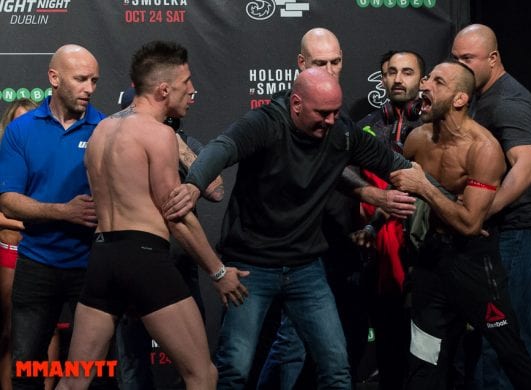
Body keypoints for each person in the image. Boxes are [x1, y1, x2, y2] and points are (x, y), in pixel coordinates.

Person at [163, 67, 416, 389]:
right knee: (235, 370)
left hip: (305, 268)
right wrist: (194, 185)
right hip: (250, 268)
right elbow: (223, 147)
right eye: (322, 113)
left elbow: (397, 165)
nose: (330, 121)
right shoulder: (265, 123)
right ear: (296, 104)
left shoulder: (341, 131)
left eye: (336, 113)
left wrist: (436, 192)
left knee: (337, 370)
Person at [54, 41, 248, 390]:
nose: (192, 90)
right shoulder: (160, 135)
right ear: (163, 90)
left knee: (73, 381)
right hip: (143, 258)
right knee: (203, 375)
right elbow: (175, 214)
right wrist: (218, 271)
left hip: (102, 257)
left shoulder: (101, 131)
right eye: (186, 82)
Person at [389, 60, 531, 390]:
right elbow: (398, 189)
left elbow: (471, 224)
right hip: (431, 263)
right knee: (424, 359)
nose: (426, 85)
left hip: (474, 264)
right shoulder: (417, 138)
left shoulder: (484, 149)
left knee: (509, 351)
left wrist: (425, 188)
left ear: (460, 98)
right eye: (428, 77)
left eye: (438, 81)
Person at [451, 24, 531, 390]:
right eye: (456, 59)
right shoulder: (482, 95)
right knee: (499, 331)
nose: (461, 66)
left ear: (493, 59)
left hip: (525, 229)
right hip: (509, 229)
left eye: (468, 59)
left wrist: (480, 213)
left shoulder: (508, 102)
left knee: (502, 333)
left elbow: (526, 169)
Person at [0, 45, 109, 390]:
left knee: (96, 370)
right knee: (27, 369)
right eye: (80, 79)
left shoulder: (105, 128)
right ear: (54, 78)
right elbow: (9, 200)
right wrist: (64, 212)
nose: (89, 88)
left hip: (91, 264)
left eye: (94, 80)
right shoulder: (22, 130)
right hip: (37, 264)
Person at [114, 86, 226, 390]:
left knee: (195, 364)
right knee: (133, 364)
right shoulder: (118, 147)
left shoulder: (184, 141)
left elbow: (216, 190)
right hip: (135, 266)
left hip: (180, 268)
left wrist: (173, 143)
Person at [353, 49, 426, 389]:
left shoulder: (432, 126)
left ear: (421, 80)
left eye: (407, 72)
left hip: (425, 250)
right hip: (377, 251)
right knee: (387, 337)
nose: (398, 79)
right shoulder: (365, 127)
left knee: (430, 342)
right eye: (391, 72)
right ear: (382, 79)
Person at [0, 99, 37, 390]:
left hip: (42, 255)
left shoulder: (45, 158)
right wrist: (34, 219)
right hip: (9, 255)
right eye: (17, 122)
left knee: (46, 334)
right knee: (10, 333)